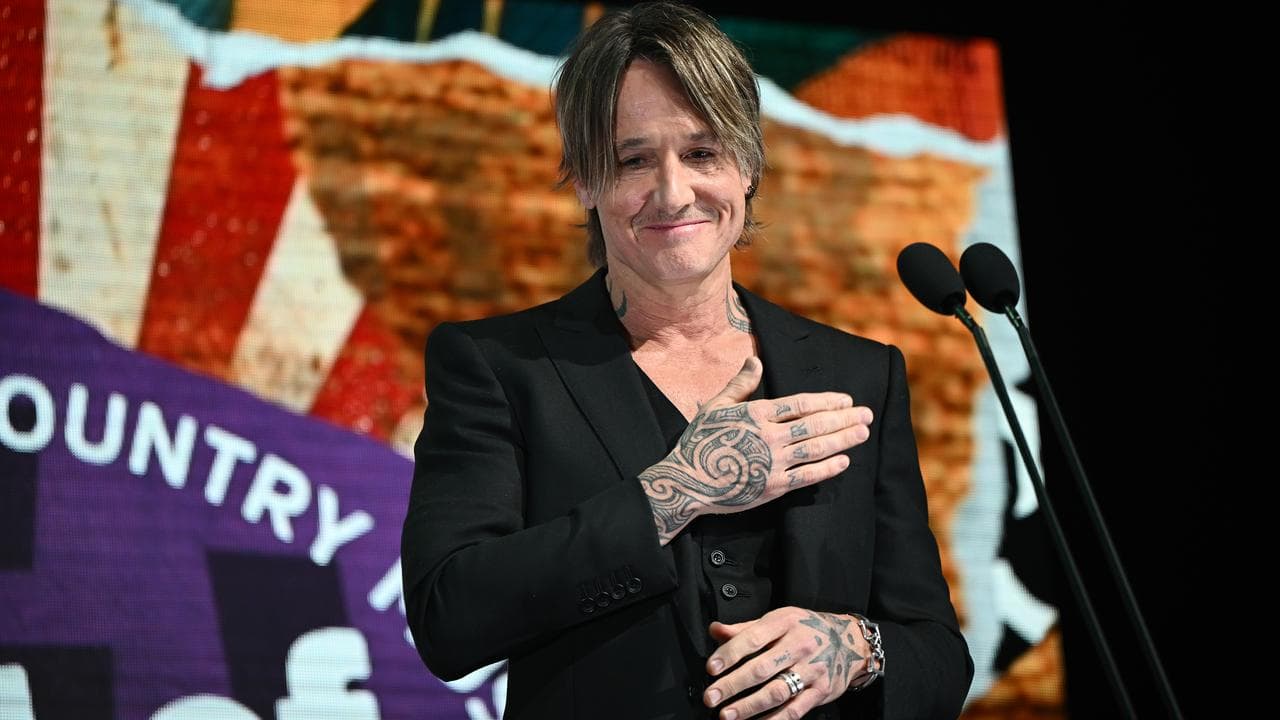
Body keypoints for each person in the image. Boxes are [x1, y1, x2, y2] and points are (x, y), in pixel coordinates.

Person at [401, 2, 973, 718]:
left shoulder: (858, 375)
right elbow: (449, 617)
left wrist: (856, 649)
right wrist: (679, 488)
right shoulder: (500, 367)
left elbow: (937, 655)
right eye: (633, 160)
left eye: (702, 153)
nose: (674, 194)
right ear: (584, 181)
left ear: (748, 166)